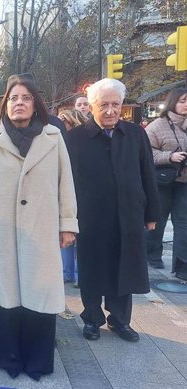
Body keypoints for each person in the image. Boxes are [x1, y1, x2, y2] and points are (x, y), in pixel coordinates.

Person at [0, 74, 78, 380]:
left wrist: (67, 224)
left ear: (35, 104)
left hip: (42, 232)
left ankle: (38, 361)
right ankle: (8, 358)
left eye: (25, 98)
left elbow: (65, 184)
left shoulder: (53, 138)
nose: (19, 103)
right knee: (6, 296)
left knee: (40, 295)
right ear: (5, 104)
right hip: (2, 231)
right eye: (13, 98)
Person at [65, 78, 159, 343]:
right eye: (104, 104)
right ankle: (92, 319)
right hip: (91, 215)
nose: (110, 111)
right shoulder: (75, 138)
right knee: (92, 267)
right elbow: (68, 180)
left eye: (115, 105)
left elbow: (147, 173)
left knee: (125, 266)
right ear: (92, 107)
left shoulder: (135, 134)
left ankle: (119, 320)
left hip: (128, 214)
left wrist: (152, 213)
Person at [144, 87, 187, 276]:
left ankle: (181, 264)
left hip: (184, 183)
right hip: (162, 182)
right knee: (157, 220)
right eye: (183, 101)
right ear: (173, 102)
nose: (186, 105)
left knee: (183, 223)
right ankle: (152, 256)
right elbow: (147, 154)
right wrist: (170, 156)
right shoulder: (157, 126)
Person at [57, 109, 89, 286]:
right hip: (65, 192)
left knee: (78, 236)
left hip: (81, 192)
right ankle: (67, 272)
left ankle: (77, 273)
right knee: (64, 234)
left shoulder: (80, 140)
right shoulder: (56, 139)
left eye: (64, 121)